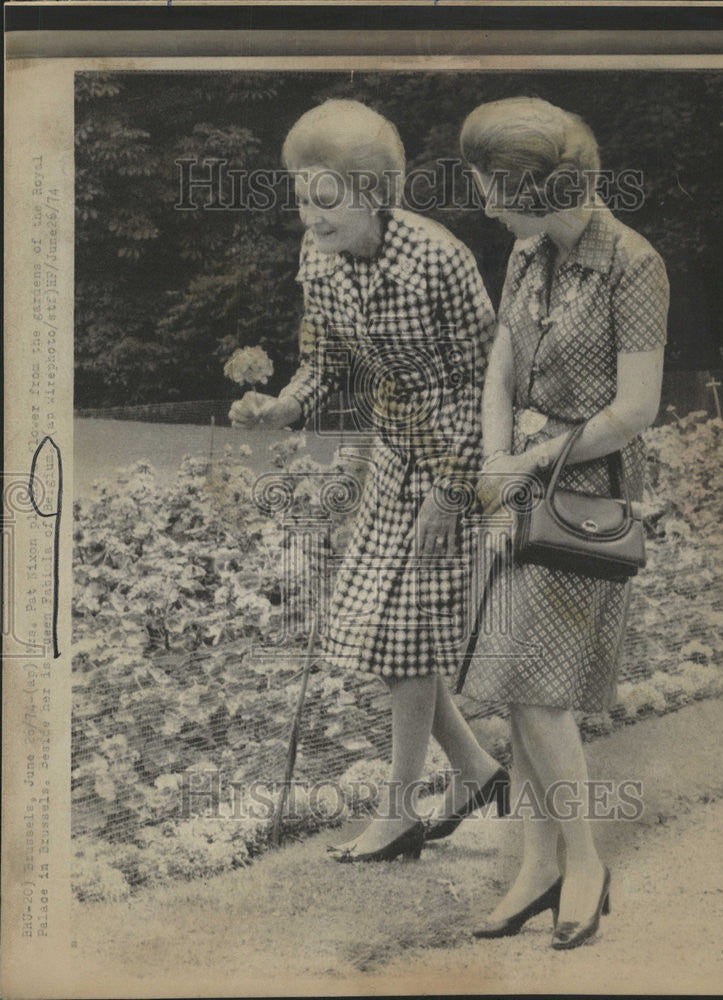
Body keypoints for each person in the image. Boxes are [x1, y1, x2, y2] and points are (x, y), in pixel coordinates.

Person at [230, 99, 507, 862]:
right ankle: (478, 773)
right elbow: (322, 364)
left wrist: (451, 493)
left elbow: (489, 381)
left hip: (463, 452)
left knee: (402, 636)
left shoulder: (438, 256)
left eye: (324, 201)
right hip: (393, 454)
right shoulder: (317, 262)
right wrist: (279, 407)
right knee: (389, 633)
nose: (309, 218)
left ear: (374, 194)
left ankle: (399, 812)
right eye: (299, 199)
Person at [457, 97, 669, 948]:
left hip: (587, 491)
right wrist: (496, 469)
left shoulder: (632, 264)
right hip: (520, 481)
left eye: (488, 188)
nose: (482, 205)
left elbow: (636, 409)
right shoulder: (524, 250)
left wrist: (530, 463)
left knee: (537, 694)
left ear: (529, 186)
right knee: (514, 687)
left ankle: (581, 862)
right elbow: (501, 366)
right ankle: (538, 865)